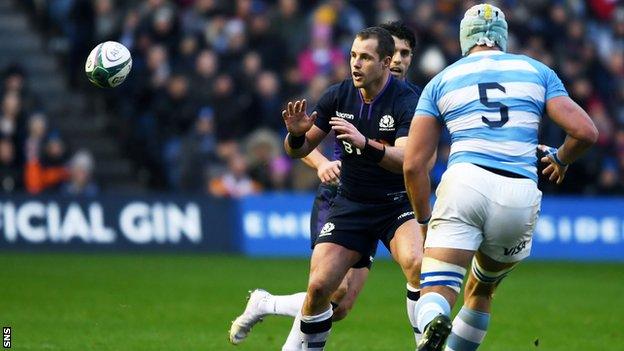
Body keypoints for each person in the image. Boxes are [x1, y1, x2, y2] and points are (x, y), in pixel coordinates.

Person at [402, 4, 598, 351]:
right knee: (482, 289)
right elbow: (585, 131)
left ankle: (433, 321)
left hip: (466, 181)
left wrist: (422, 220)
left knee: (437, 286)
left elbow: (414, 165)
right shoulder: (537, 71)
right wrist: (561, 158)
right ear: (503, 38)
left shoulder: (442, 80)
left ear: (465, 38)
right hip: (519, 190)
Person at [229, 22, 425, 350]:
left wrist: (365, 144)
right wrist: (300, 139)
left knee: (345, 303)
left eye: (406, 54)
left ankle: (425, 343)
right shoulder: (339, 94)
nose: (356, 63)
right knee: (326, 291)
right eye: (353, 56)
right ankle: (265, 306)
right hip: (343, 197)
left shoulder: (412, 100)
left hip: (393, 204)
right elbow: (298, 148)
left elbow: (409, 159)